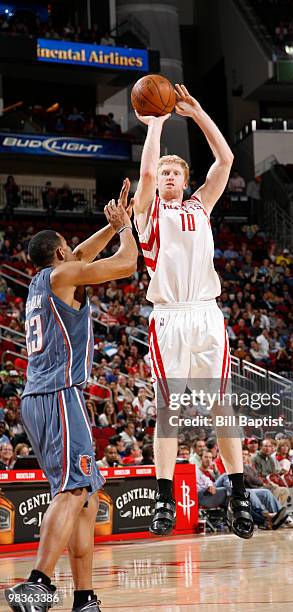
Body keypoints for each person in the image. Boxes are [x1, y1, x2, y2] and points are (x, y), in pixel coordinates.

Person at [5, 179, 137, 612]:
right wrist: (124, 229)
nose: (74, 250)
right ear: (59, 253)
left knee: (84, 497)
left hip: (39, 397)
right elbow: (126, 264)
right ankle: (38, 583)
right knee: (73, 492)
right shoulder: (64, 274)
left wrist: (113, 219)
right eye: (68, 247)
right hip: (60, 393)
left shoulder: (45, 281)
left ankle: (85, 598)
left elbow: (82, 255)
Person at [133, 83, 253, 539]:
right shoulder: (147, 215)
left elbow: (225, 161)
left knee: (224, 406)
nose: (165, 176)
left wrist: (199, 113)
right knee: (170, 411)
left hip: (207, 314)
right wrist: (157, 127)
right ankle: (163, 500)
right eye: (162, 171)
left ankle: (239, 494)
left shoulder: (201, 205)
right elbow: (143, 180)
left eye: (172, 172)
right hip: (169, 317)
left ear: (185, 181)